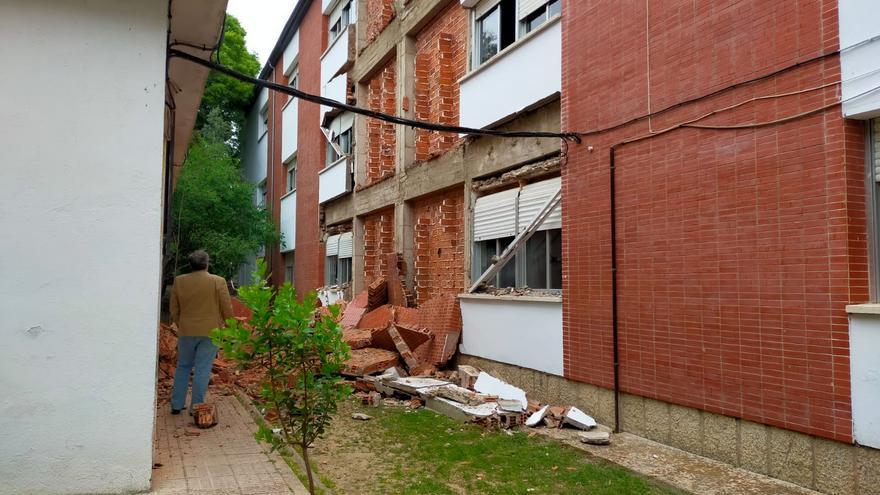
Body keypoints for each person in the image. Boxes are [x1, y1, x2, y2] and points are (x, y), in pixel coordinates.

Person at [169, 250, 234, 415]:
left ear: (191, 264)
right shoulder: (218, 281)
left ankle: (176, 405)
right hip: (210, 331)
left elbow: (174, 309)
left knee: (183, 366)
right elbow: (227, 307)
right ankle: (197, 407)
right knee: (202, 369)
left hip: (186, 330)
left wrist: (180, 323)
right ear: (207, 263)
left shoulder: (179, 281)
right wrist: (230, 325)